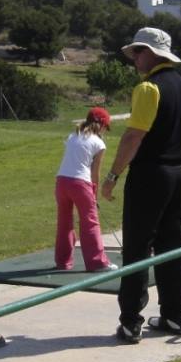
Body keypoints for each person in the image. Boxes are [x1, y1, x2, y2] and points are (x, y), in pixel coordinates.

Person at [101, 27, 181, 344]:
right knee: (172, 246)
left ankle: (131, 321)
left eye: (139, 52)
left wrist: (113, 174)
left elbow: (133, 136)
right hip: (180, 174)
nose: (135, 58)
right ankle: (173, 315)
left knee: (138, 248)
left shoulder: (148, 88)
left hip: (151, 175)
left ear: (154, 53)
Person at [54, 107, 117, 272]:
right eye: (106, 127)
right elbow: (94, 173)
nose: (105, 130)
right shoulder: (99, 143)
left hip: (61, 182)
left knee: (64, 223)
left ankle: (63, 262)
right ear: (102, 125)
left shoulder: (73, 135)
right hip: (80, 184)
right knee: (90, 223)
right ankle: (97, 263)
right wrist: (93, 195)